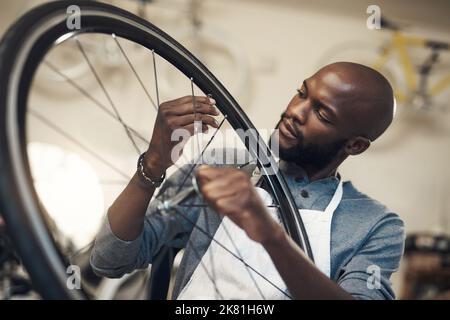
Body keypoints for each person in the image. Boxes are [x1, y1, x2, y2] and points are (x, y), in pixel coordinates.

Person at [90, 62, 405, 300]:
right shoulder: (222, 167)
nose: (295, 112)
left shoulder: (376, 225)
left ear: (355, 145)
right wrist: (153, 163)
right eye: (301, 93)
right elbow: (110, 260)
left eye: (322, 114)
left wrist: (270, 234)